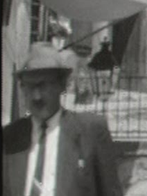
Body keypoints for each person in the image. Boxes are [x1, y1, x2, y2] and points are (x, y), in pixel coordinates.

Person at [1, 41, 124, 196]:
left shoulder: (91, 132)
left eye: (43, 85)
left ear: (62, 85)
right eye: (30, 86)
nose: (36, 96)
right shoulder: (9, 137)